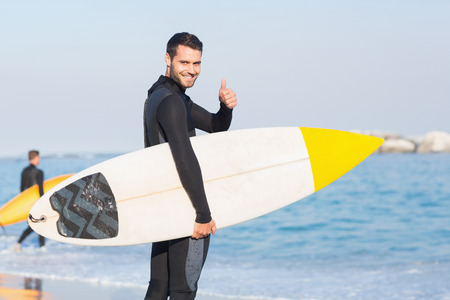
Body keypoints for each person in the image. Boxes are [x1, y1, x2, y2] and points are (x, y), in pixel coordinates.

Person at [143, 32, 237, 300]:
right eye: (184, 62)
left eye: (196, 64)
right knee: (184, 289)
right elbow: (185, 157)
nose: (191, 70)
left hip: (164, 205)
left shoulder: (162, 97)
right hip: (185, 208)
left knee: (159, 287)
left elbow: (215, 126)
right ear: (168, 59)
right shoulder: (172, 102)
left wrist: (225, 108)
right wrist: (203, 215)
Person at [15, 150, 46, 250]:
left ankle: (19, 243)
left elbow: (22, 189)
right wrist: (44, 202)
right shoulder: (39, 172)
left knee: (35, 224)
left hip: (27, 203)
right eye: (39, 157)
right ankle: (42, 247)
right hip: (37, 202)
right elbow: (40, 189)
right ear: (36, 157)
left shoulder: (24, 171)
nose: (39, 159)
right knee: (39, 224)